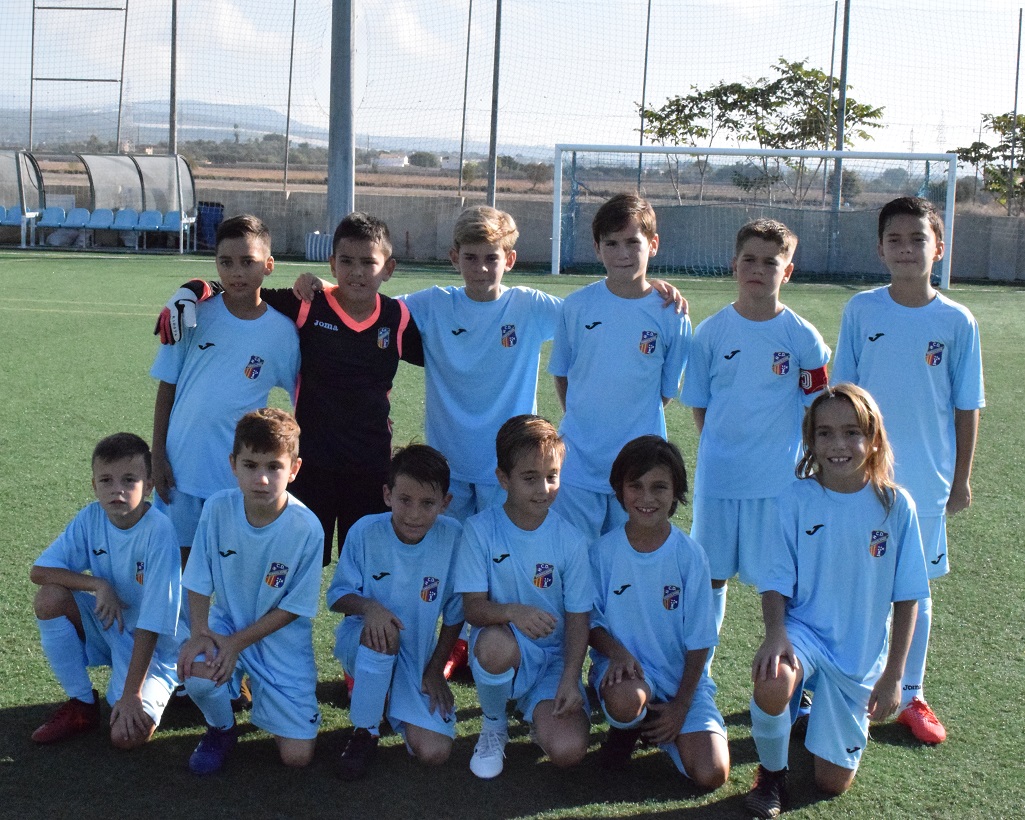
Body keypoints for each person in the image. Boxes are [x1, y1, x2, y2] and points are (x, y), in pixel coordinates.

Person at [155, 213, 425, 565]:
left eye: (367, 263)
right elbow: (244, 293)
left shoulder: (397, 317)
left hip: (369, 462)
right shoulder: (306, 306)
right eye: (346, 261)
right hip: (310, 463)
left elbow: (443, 355)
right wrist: (194, 289)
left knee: (366, 561)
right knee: (297, 559)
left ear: (387, 268)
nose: (357, 272)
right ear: (332, 264)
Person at [832, 196, 984, 745]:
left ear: (938, 248)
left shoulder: (957, 321)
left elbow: (966, 406)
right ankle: (832, 683)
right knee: (850, 576)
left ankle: (911, 693)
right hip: (860, 476)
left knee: (914, 589)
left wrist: (961, 478)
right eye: (894, 240)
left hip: (925, 481)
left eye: (917, 239)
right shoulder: (862, 310)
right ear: (880, 249)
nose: (905, 249)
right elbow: (841, 396)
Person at [744, 384, 929, 817]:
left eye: (851, 432)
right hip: (804, 633)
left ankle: (812, 714)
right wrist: (776, 634)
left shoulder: (896, 506)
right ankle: (771, 776)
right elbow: (774, 581)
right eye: (824, 433)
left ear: (874, 438)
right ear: (810, 440)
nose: (838, 444)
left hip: (857, 654)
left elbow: (908, 598)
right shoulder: (794, 499)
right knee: (772, 679)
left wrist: (894, 675)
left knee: (831, 783)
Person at [680, 218, 829, 645]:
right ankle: (700, 670)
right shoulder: (710, 333)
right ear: (734, 265)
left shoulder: (802, 337)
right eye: (749, 259)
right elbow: (701, 404)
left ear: (788, 271)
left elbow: (817, 407)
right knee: (711, 576)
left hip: (778, 482)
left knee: (779, 581)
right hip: (720, 479)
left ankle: (788, 664)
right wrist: (723, 448)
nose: (758, 269)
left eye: (770, 262)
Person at [178, 408, 324, 774]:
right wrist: (200, 634)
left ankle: (259, 689)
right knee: (196, 669)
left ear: (294, 469)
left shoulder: (307, 528)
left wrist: (236, 644)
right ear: (233, 465)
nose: (261, 478)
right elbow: (198, 579)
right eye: (250, 465)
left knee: (296, 757)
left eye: (274, 467)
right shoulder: (217, 509)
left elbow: (293, 608)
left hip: (280, 640)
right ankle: (221, 729)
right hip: (226, 625)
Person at [151, 214, 299, 566]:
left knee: (230, 564)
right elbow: (167, 386)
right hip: (181, 467)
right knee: (178, 564)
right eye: (226, 262)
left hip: (237, 476)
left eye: (248, 262)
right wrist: (157, 455)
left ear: (268, 265)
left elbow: (303, 399)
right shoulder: (192, 315)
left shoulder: (282, 333)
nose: (236, 272)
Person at [455, 414, 592, 779]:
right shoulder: (480, 530)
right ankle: (494, 723)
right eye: (530, 478)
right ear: (503, 479)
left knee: (568, 751)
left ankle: (533, 710)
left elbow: (579, 618)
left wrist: (570, 677)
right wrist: (514, 612)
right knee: (492, 645)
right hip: (507, 648)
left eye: (552, 476)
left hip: (553, 662)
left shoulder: (571, 540)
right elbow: (473, 609)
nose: (543, 489)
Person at [588, 436, 729, 790]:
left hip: (681, 682)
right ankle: (627, 728)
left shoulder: (691, 556)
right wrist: (617, 653)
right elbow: (588, 622)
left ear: (676, 491)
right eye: (635, 486)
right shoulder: (603, 552)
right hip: (626, 674)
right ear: (619, 490)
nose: (646, 497)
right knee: (626, 701)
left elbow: (701, 640)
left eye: (659, 487)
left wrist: (681, 705)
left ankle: (660, 725)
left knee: (712, 773)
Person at [548, 193, 691, 542]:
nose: (622, 253)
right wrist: (585, 422)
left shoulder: (672, 315)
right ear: (597, 249)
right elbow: (562, 374)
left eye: (632, 242)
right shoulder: (577, 306)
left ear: (652, 245)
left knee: (630, 556)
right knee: (573, 556)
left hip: (639, 466)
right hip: (577, 461)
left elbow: (665, 393)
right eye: (611, 243)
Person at [30, 433, 182, 749]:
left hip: (156, 647)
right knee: (50, 598)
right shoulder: (91, 517)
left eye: (129, 480)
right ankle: (82, 704)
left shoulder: (160, 531)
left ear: (149, 485)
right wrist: (98, 584)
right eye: (106, 480)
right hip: (111, 624)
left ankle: (176, 686)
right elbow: (40, 572)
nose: (117, 489)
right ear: (94, 485)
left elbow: (153, 622)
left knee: (125, 738)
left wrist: (132, 694)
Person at [326, 444, 464, 780]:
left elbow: (455, 614)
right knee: (384, 633)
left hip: (417, 654)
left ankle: (383, 697)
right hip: (363, 641)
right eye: (405, 500)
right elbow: (337, 596)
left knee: (434, 752)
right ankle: (365, 731)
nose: (414, 514)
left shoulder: (454, 537)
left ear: (445, 503)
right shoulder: (365, 531)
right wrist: (369, 607)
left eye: (428, 503)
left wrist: (435, 669)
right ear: (388, 495)